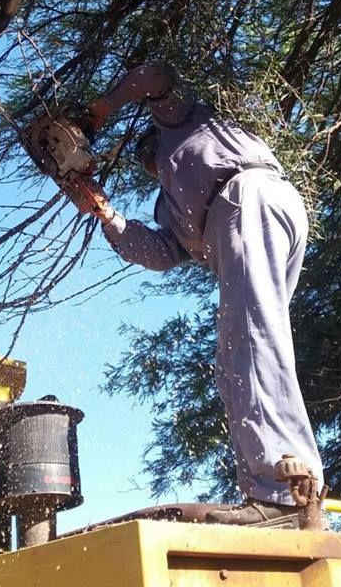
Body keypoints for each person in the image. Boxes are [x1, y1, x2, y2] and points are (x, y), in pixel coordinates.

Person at [63, 62, 323, 525]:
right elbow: (162, 252)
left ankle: (281, 495)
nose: (151, 166)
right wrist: (103, 210)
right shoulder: (171, 203)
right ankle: (285, 486)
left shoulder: (180, 120)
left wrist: (96, 113)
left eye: (149, 158)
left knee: (251, 341)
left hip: (250, 199)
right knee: (240, 355)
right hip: (248, 215)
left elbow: (156, 76)